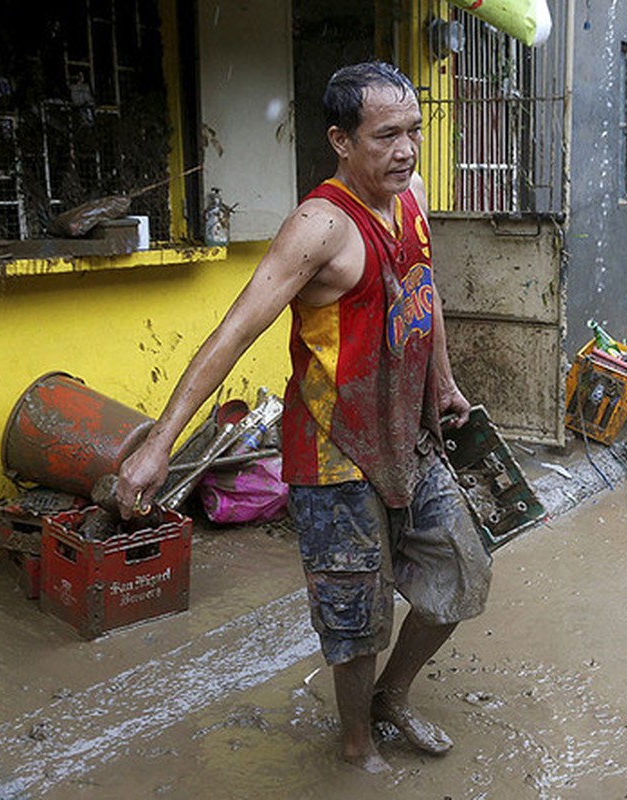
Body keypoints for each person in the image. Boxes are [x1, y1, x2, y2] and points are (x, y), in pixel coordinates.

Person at [114, 61, 493, 773]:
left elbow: (422, 290)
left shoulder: (410, 195)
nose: (406, 150)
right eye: (385, 136)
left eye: (414, 131)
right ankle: (354, 750)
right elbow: (232, 332)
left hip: (407, 437)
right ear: (341, 142)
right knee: (354, 620)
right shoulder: (318, 227)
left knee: (460, 576)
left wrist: (442, 382)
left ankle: (391, 698)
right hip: (331, 452)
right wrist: (158, 447)